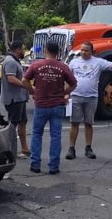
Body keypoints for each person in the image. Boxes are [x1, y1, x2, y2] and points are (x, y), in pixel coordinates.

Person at [66, 41, 112, 160]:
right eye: (82, 50)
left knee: (89, 123)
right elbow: (67, 77)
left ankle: (88, 148)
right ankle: (71, 148)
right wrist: (66, 93)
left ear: (92, 52)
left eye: (86, 50)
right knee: (74, 123)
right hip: (76, 96)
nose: (83, 52)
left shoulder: (98, 62)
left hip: (91, 97)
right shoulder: (74, 62)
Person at [23, 40, 76, 174]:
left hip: (41, 104)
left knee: (36, 135)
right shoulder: (63, 67)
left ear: (45, 50)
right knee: (56, 136)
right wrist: (64, 92)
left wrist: (32, 91)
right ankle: (53, 166)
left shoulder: (36, 65)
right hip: (57, 105)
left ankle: (35, 164)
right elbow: (74, 84)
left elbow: (24, 80)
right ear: (58, 52)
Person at [0, 40, 31, 157]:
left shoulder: (15, 61)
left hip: (20, 98)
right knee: (13, 125)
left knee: (23, 122)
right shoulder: (10, 62)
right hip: (13, 99)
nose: (24, 51)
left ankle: (24, 148)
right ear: (18, 50)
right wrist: (26, 86)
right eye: (23, 49)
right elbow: (11, 79)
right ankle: (9, 150)